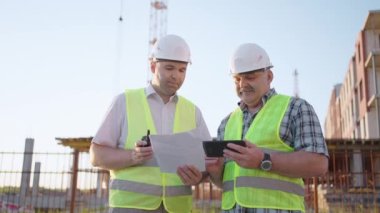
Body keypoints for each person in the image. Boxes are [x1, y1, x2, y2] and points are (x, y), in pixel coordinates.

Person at [90, 34, 211, 213]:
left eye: (182, 70)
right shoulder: (124, 102)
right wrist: (133, 156)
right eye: (169, 68)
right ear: (153, 66)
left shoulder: (193, 112)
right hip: (130, 207)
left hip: (177, 209)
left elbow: (208, 164)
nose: (176, 76)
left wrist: (199, 177)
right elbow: (96, 155)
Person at [206, 43, 329, 213]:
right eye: (237, 79)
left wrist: (263, 160)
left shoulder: (296, 108)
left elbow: (319, 163)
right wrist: (215, 172)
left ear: (269, 76)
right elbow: (226, 183)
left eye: (249, 77)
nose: (242, 84)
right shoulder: (226, 123)